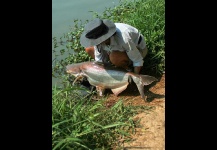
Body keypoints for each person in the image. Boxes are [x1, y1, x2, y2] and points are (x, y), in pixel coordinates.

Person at [80, 18, 148, 74]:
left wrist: (135, 76)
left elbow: (137, 60)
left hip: (139, 50)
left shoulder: (124, 38)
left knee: (114, 57)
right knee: (89, 49)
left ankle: (126, 69)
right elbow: (99, 60)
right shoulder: (98, 41)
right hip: (114, 49)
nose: (96, 42)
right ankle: (112, 67)